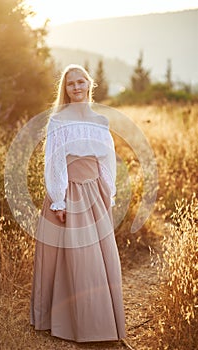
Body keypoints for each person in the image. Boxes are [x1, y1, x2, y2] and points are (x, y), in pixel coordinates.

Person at [30, 64, 126, 342]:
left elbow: (106, 160)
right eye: (71, 83)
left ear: (89, 83)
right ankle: (68, 322)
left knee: (97, 257)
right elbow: (54, 160)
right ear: (66, 88)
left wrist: (108, 192)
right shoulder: (59, 120)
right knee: (71, 258)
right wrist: (59, 201)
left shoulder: (100, 121)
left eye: (81, 81)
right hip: (69, 190)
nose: (76, 87)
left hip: (94, 192)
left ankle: (101, 323)